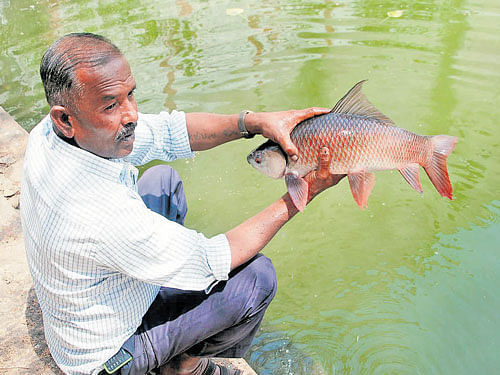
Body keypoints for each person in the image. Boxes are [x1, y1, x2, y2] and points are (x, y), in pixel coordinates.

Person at [20, 33, 345, 375]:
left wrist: (252, 122)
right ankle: (182, 366)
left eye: (130, 94)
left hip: (91, 300)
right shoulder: (98, 212)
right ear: (65, 119)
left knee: (162, 182)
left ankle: (169, 317)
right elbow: (211, 259)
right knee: (255, 279)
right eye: (111, 105)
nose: (131, 115)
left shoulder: (51, 133)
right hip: (107, 357)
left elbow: (168, 133)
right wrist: (303, 193)